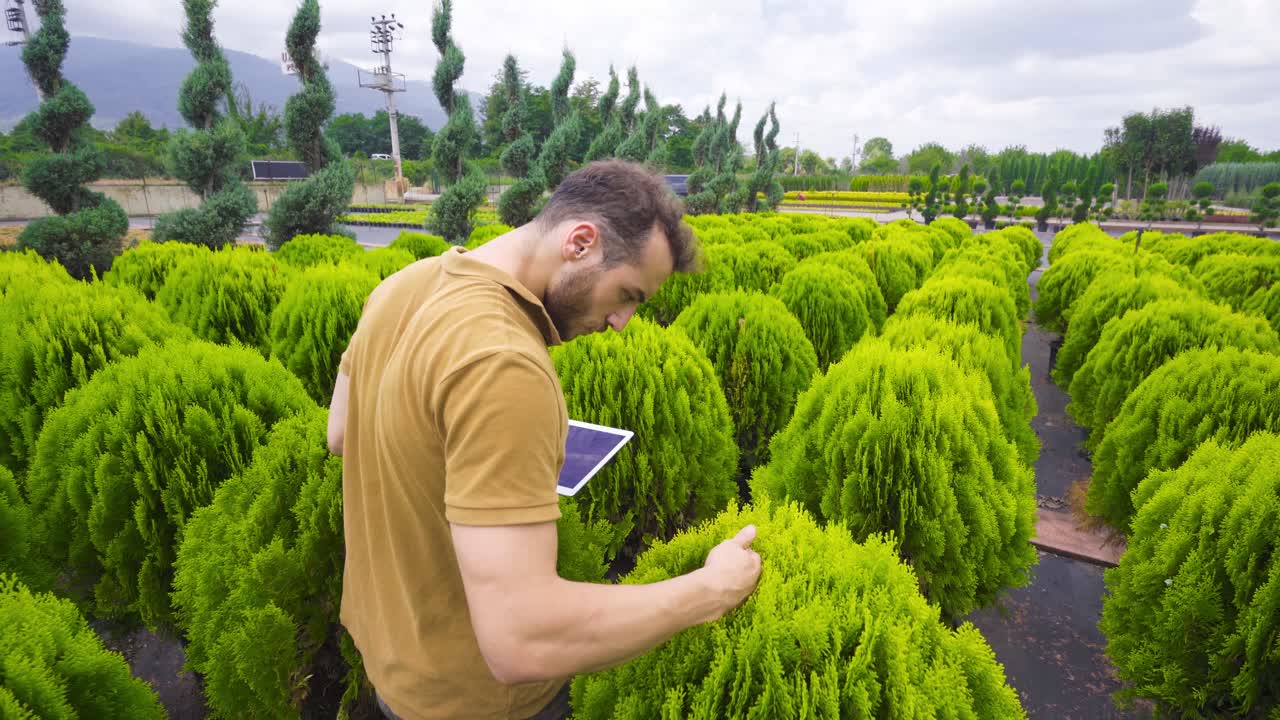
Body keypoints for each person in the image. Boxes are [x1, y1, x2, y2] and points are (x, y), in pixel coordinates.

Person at [326, 159, 762, 720]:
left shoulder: (399, 288)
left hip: (395, 665)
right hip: (479, 700)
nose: (622, 322)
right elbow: (521, 638)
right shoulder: (505, 364)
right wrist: (709, 592)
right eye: (627, 294)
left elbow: (341, 432)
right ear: (581, 241)